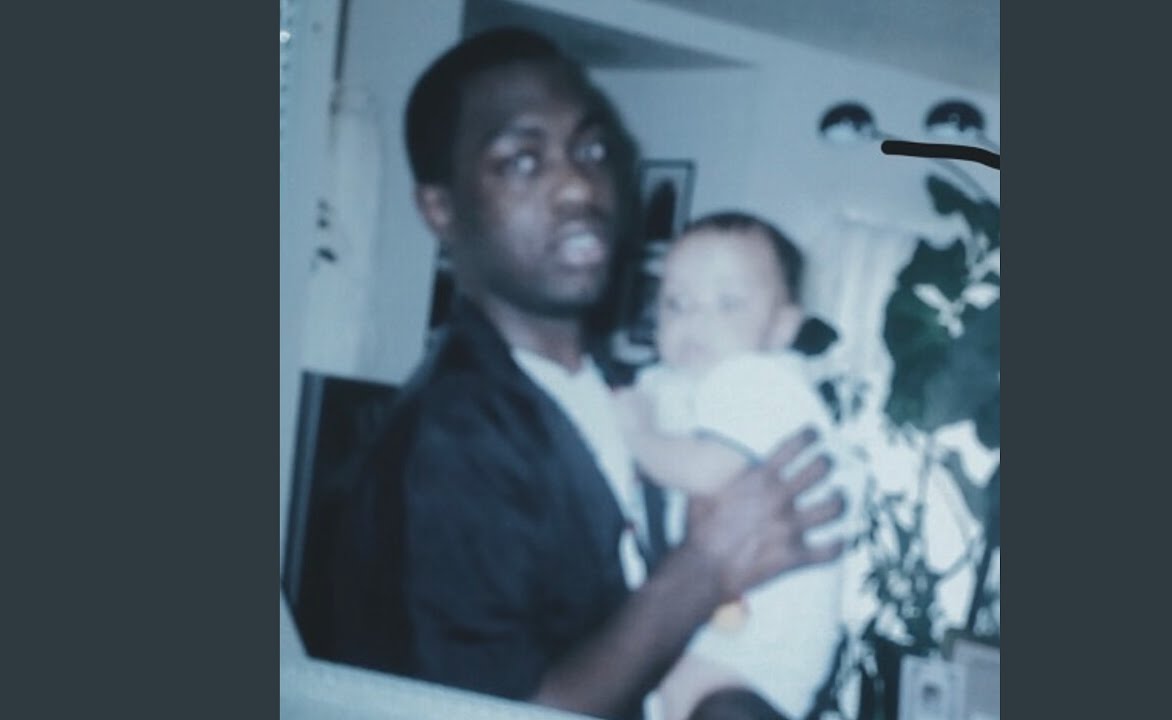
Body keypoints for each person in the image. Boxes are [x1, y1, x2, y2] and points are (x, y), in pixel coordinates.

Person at [324, 28, 847, 720]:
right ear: (441, 209)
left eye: (592, 150)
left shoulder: (626, 389)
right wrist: (706, 566)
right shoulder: (452, 439)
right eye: (522, 160)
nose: (577, 184)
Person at [614, 212, 864, 720]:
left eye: (728, 303)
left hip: (759, 658)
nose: (695, 319)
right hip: (699, 646)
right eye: (676, 302)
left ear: (781, 328)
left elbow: (709, 471)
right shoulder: (675, 382)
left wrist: (637, 436)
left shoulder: (763, 381)